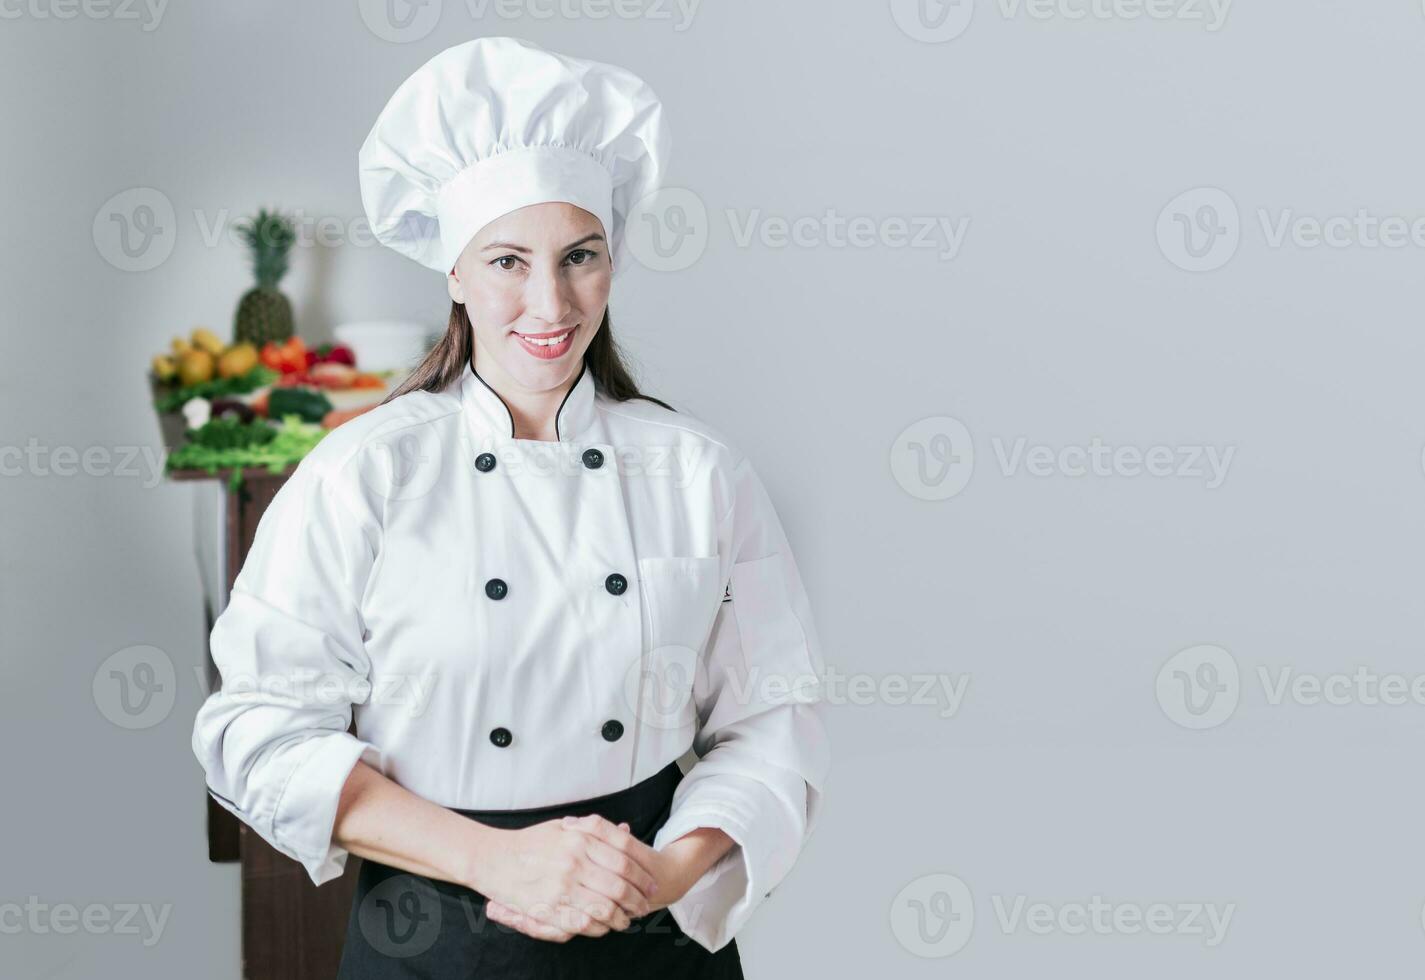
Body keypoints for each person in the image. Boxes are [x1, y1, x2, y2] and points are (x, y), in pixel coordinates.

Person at [190, 35, 830, 979]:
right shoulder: (364, 472)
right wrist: (496, 860)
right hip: (433, 933)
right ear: (452, 270)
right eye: (505, 261)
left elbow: (776, 716)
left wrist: (657, 878)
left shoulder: (699, 473)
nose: (550, 301)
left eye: (580, 256)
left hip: (644, 929)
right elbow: (255, 729)